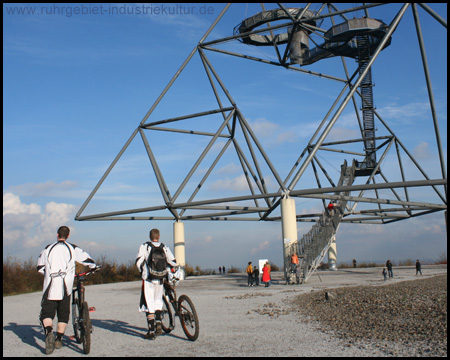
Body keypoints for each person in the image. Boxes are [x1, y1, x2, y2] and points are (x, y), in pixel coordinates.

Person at [37, 226, 97, 354]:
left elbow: (40, 267)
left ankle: (48, 333)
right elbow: (87, 260)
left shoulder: (48, 248)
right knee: (63, 314)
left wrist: (48, 274)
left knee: (46, 314)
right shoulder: (72, 248)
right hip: (66, 288)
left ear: (57, 234)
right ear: (68, 236)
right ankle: (59, 339)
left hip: (50, 287)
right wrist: (94, 267)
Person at [136, 228, 177, 340]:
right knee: (158, 300)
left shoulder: (145, 246)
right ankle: (159, 324)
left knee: (148, 303)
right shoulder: (164, 247)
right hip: (160, 279)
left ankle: (151, 331)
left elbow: (139, 262)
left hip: (149, 279)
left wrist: (142, 272)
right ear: (159, 237)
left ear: (150, 237)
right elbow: (173, 261)